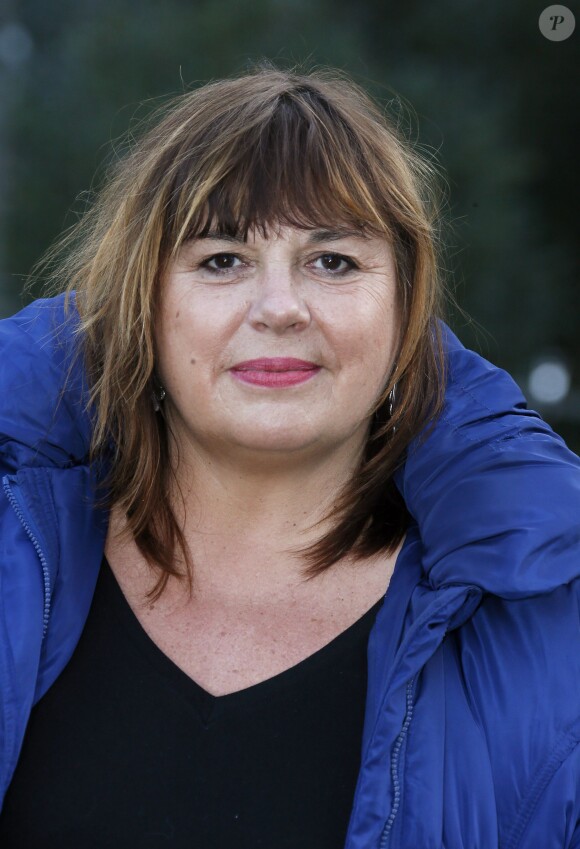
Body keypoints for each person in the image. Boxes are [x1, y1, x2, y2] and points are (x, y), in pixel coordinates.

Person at [0, 66, 578, 849]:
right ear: (145, 305)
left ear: (405, 305)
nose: (279, 308)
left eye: (332, 260)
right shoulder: (15, 548)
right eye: (222, 259)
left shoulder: (547, 630)